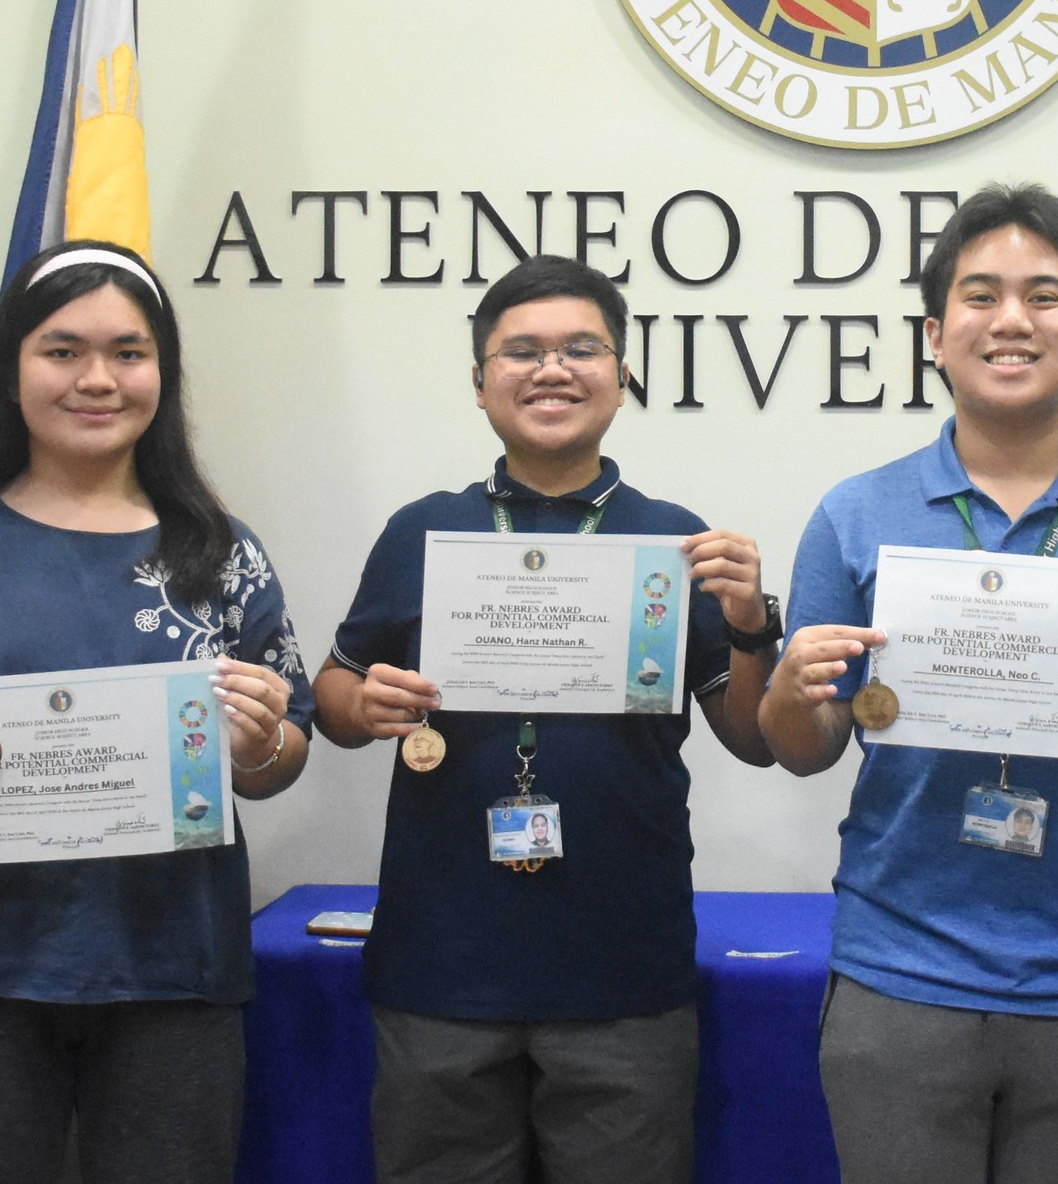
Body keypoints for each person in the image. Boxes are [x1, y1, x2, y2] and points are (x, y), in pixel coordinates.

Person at [761, 184, 1058, 1184]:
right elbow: (802, 750)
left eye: (1044, 295)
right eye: (979, 296)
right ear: (934, 335)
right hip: (900, 969)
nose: (1012, 320)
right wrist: (792, 690)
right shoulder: (853, 516)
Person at [0, 241, 310, 1183]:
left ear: (162, 374)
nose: (97, 378)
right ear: (11, 371)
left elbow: (279, 761)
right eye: (61, 350)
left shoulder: (222, 551)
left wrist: (261, 739)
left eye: (128, 352)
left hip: (173, 962)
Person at [315, 255, 777, 1184]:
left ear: (623, 373)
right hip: (440, 964)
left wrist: (751, 622)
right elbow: (332, 687)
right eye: (520, 351)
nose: (551, 369)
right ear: (480, 382)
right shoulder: (422, 530)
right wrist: (360, 706)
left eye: (580, 348)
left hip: (623, 970)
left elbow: (757, 738)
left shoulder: (676, 539)